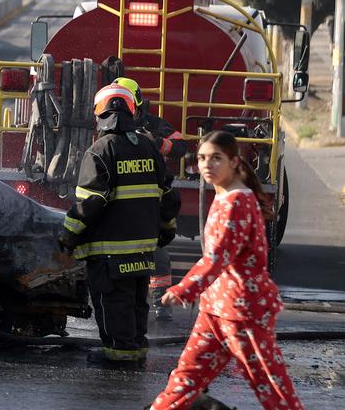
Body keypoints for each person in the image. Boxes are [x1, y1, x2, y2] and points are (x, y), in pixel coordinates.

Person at [148, 130, 304, 410]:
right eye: (202, 158)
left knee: (269, 385)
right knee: (186, 378)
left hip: (242, 310)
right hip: (214, 309)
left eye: (216, 158)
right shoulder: (224, 197)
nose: (207, 165)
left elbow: (217, 258)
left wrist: (183, 289)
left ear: (234, 162)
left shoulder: (238, 203)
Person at [58, 82, 180, 369]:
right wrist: (166, 229)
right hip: (142, 251)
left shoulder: (100, 150)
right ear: (130, 111)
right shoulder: (149, 147)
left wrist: (68, 234)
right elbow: (168, 195)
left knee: (113, 304)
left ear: (100, 115)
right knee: (137, 304)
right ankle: (135, 351)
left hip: (108, 252)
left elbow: (90, 202)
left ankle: (118, 357)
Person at [115, 76, 187, 323]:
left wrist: (155, 141)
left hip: (150, 199)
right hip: (120, 199)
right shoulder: (108, 126)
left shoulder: (152, 124)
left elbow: (180, 147)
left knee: (158, 256)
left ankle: (161, 307)